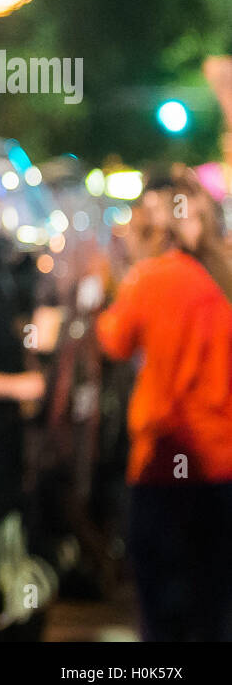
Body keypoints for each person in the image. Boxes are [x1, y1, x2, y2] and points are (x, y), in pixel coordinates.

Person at [96, 165, 232, 641]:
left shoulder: (151, 278)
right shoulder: (226, 276)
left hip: (165, 462)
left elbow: (113, 340)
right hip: (224, 466)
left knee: (164, 611)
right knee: (214, 607)